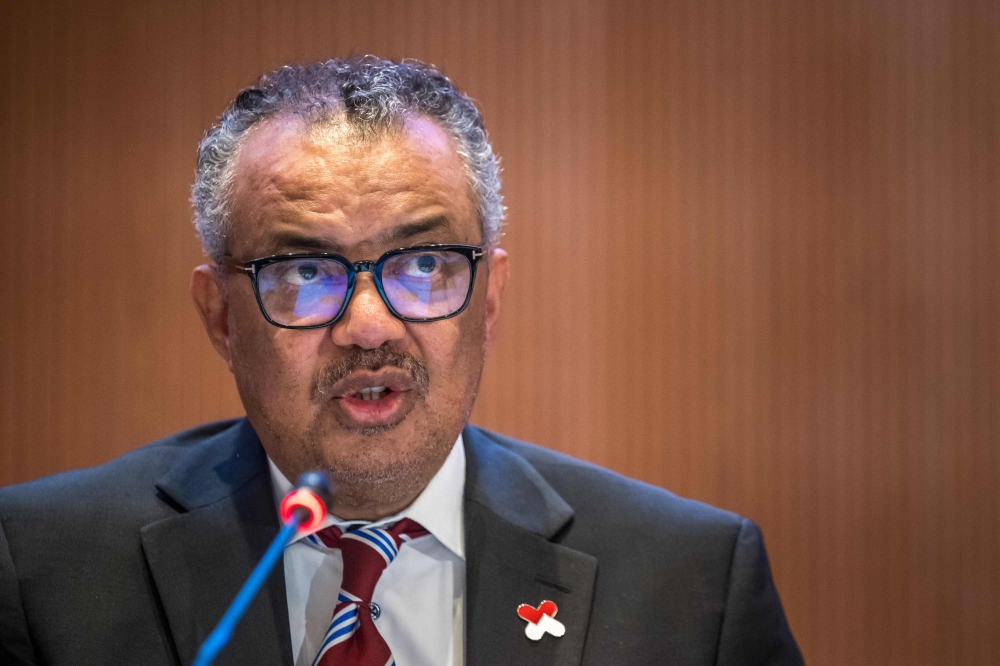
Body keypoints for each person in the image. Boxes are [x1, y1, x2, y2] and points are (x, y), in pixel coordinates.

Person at [0, 56, 803, 666]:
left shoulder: (691, 588)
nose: (368, 326)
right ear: (219, 317)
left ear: (489, 296)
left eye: (423, 265)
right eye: (305, 273)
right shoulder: (42, 570)